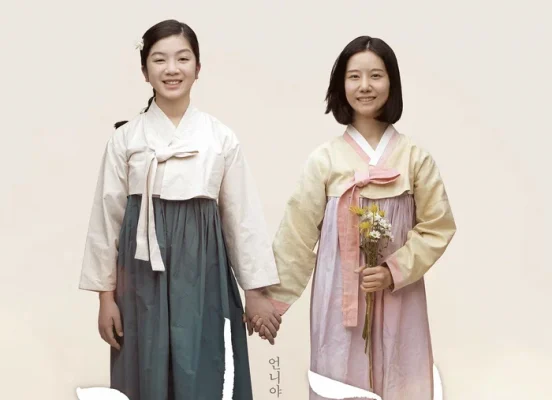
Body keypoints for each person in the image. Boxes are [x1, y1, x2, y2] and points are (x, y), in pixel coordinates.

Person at [79, 19, 282, 400]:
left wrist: (255, 291)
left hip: (204, 270)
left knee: (205, 366)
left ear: (198, 68)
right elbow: (106, 220)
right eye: (159, 60)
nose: (172, 69)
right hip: (140, 277)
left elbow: (242, 218)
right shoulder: (126, 139)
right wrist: (105, 298)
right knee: (145, 368)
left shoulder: (220, 138)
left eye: (182, 59)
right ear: (145, 71)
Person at [260, 36, 457, 399]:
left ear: (392, 83)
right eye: (354, 76)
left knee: (401, 374)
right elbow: (296, 237)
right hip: (340, 299)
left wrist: (392, 271)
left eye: (376, 75)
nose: (365, 86)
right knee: (340, 376)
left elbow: (438, 226)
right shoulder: (325, 160)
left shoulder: (414, 158)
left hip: (399, 295)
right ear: (341, 85)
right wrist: (269, 303)